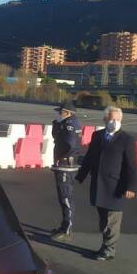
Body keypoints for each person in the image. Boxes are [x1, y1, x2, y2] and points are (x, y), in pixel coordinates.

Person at [75, 105, 137, 260]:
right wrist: (80, 176)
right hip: (98, 184)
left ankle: (109, 250)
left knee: (113, 220)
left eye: (118, 119)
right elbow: (89, 157)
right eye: (112, 119)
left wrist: (130, 186)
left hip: (115, 186)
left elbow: (131, 165)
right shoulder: (97, 135)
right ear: (105, 119)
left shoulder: (126, 139)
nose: (114, 122)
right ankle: (105, 246)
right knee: (103, 219)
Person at [49, 102, 82, 241]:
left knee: (66, 197)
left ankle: (67, 229)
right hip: (64, 164)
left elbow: (70, 144)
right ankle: (64, 226)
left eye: (60, 112)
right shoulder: (68, 122)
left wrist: (61, 157)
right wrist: (56, 125)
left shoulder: (70, 124)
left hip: (65, 165)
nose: (58, 114)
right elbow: (57, 138)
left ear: (67, 112)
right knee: (64, 197)